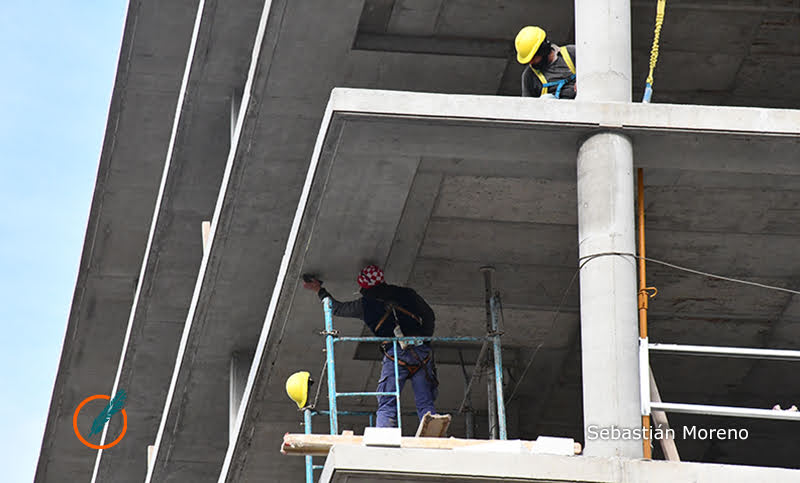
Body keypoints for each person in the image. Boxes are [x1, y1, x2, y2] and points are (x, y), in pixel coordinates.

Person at [302, 265, 437, 428]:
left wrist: (319, 290)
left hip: (395, 354)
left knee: (387, 403)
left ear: (363, 286)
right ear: (382, 279)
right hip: (421, 351)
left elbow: (336, 308)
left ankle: (385, 437)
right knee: (425, 400)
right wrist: (424, 338)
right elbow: (429, 315)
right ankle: (432, 426)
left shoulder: (364, 305)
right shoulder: (407, 294)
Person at [515, 25, 577, 99]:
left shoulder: (572, 53)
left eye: (533, 58)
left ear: (543, 50)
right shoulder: (529, 76)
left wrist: (583, 82)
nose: (531, 63)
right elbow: (528, 107)